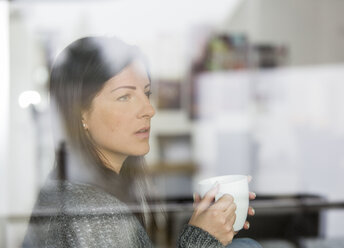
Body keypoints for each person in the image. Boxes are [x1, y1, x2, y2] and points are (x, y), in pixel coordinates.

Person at [23, 36, 261, 248]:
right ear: (80, 113)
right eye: (124, 96)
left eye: (146, 94)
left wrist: (209, 225)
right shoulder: (95, 215)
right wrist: (201, 239)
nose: (148, 110)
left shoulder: (73, 190)